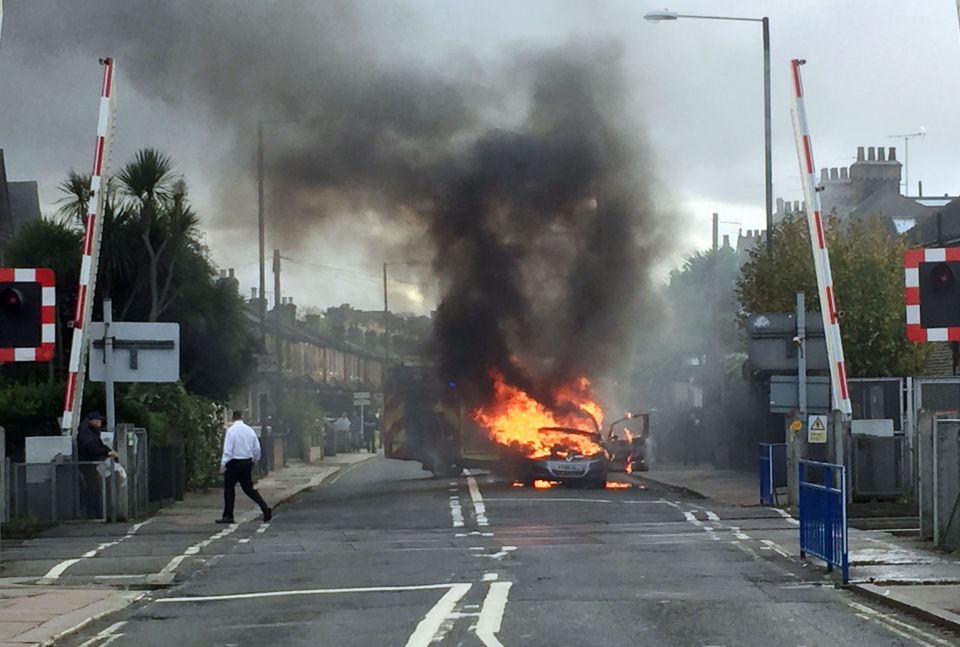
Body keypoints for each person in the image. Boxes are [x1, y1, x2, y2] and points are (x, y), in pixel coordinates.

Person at [217, 410, 272, 524]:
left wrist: (223, 463)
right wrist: (255, 460)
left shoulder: (231, 431)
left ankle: (228, 515)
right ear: (242, 418)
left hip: (233, 462)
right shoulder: (249, 430)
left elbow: (228, 449)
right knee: (249, 489)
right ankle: (265, 508)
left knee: (229, 489)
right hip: (246, 462)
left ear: (233, 418)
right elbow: (256, 448)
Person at [76, 411, 118, 518]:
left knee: (93, 487)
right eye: (99, 420)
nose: (100, 422)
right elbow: (92, 446)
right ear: (93, 421)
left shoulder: (89, 430)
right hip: (87, 463)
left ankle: (96, 513)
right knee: (92, 488)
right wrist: (107, 452)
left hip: (89, 463)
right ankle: (94, 514)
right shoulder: (87, 432)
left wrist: (107, 451)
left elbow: (97, 444)